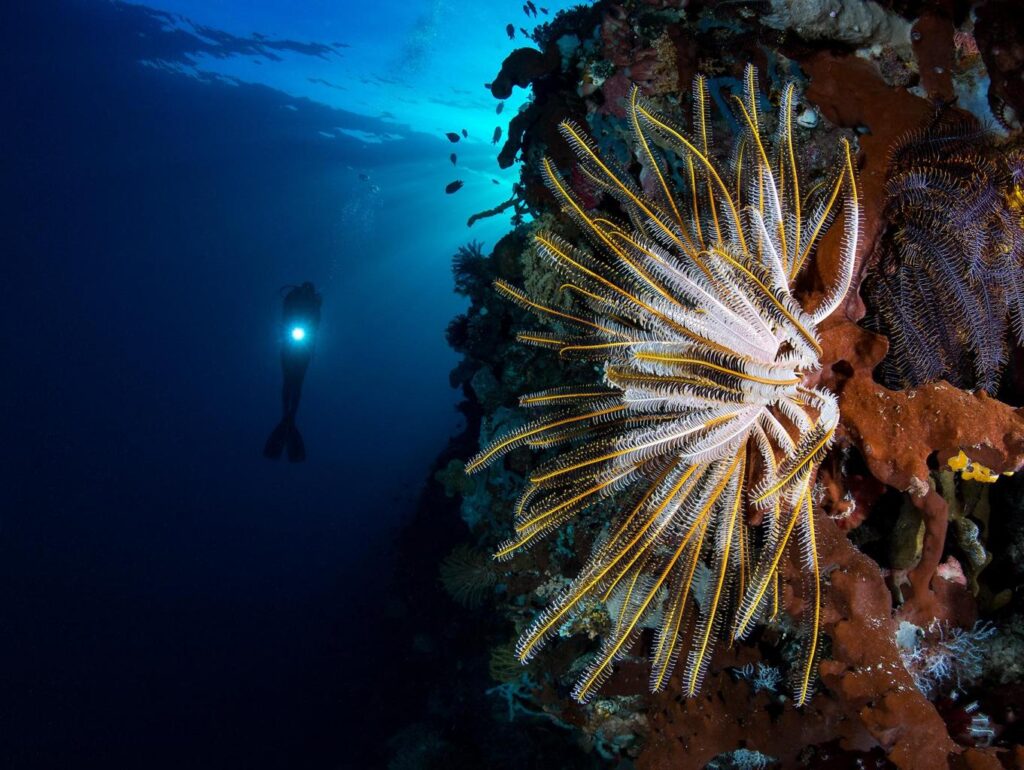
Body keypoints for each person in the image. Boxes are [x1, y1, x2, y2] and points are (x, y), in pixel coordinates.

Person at [264, 282, 322, 462]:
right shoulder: (292, 298)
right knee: (288, 380)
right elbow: (285, 314)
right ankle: (285, 415)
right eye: (305, 290)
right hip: (289, 342)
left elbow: (316, 322)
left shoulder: (315, 303)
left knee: (297, 383)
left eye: (309, 291)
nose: (306, 292)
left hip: (304, 346)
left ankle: (291, 417)